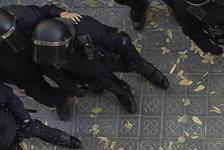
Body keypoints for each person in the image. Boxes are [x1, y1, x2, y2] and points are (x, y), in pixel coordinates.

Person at [31, 15, 168, 114]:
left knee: (136, 64)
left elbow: (120, 42)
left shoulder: (85, 27)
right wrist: (72, 88)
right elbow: (56, 74)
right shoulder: (43, 50)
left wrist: (135, 60)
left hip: (110, 59)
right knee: (110, 84)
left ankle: (150, 72)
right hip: (88, 73)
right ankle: (123, 91)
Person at [0, 5, 79, 118]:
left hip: (41, 53)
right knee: (46, 97)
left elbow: (44, 12)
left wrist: (61, 13)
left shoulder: (19, 15)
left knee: (67, 78)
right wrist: (8, 91)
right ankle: (60, 101)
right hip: (21, 75)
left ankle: (73, 89)